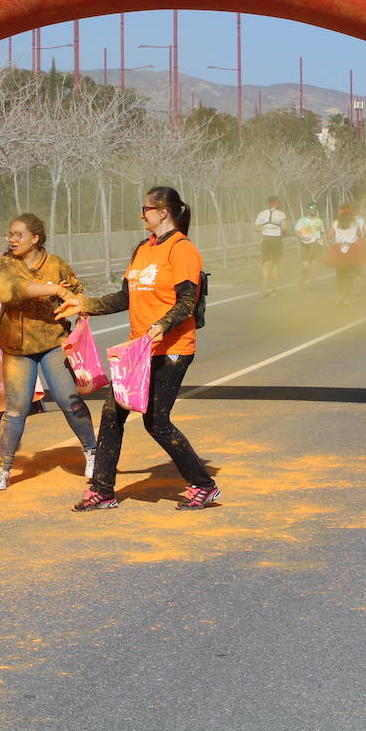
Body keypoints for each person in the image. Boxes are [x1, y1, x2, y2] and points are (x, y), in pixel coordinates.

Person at [57, 186, 219, 511]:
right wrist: (84, 304)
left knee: (156, 421)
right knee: (112, 413)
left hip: (172, 349)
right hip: (139, 350)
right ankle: (102, 490)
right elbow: (125, 298)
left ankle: (203, 485)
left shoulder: (182, 250)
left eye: (146, 208)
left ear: (163, 212)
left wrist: (162, 325)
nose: (141, 214)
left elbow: (187, 301)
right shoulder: (142, 249)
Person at [0, 213, 96, 490]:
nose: (12, 240)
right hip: (17, 347)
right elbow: (16, 289)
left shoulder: (56, 264)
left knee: (68, 399)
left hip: (52, 342)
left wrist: (74, 300)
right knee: (16, 409)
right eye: (10, 234)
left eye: (18, 235)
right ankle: (2, 468)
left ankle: (93, 452)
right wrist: (55, 289)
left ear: (35, 239)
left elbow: (78, 294)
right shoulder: (5, 265)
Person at [324, 203, 366, 307]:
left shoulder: (336, 222)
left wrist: (327, 238)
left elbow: (329, 236)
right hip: (350, 248)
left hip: (339, 248)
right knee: (349, 276)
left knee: (339, 275)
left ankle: (339, 298)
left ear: (340, 211)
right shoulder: (354, 222)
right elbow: (358, 234)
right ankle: (346, 299)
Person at [253, 194, 289, 297]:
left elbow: (256, 228)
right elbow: (284, 228)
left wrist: (264, 229)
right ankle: (274, 290)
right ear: (277, 203)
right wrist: (283, 232)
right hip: (276, 240)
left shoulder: (262, 214)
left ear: (268, 203)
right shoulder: (281, 214)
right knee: (275, 265)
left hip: (266, 240)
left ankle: (264, 288)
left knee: (265, 264)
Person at [293, 204, 325, 290]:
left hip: (316, 244)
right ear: (307, 210)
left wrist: (324, 242)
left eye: (314, 208)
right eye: (311, 208)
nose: (313, 210)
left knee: (314, 265)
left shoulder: (319, 221)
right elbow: (296, 232)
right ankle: (302, 280)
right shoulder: (302, 221)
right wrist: (303, 238)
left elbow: (322, 233)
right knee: (305, 266)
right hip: (305, 245)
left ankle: (312, 283)